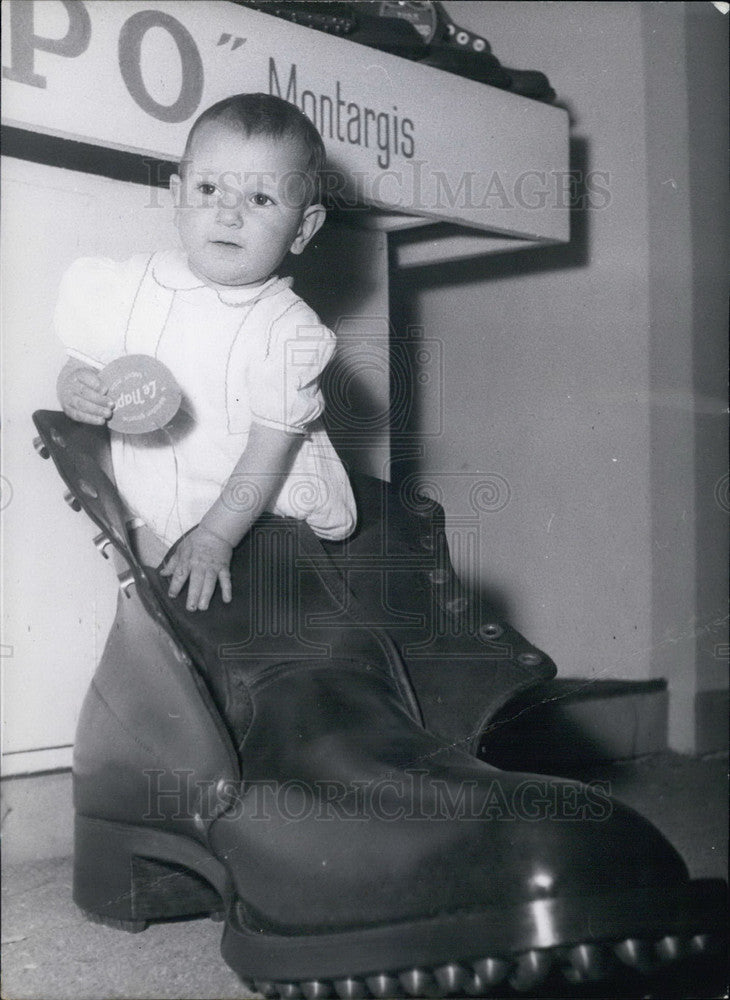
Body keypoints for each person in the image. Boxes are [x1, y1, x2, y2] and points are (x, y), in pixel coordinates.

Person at [55, 93, 356, 614]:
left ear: (303, 230)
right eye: (209, 188)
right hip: (151, 492)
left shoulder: (285, 328)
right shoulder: (132, 283)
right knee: (160, 613)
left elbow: (270, 451)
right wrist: (76, 383)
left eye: (261, 200)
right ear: (177, 196)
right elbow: (85, 358)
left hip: (253, 511)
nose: (228, 214)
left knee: (252, 615)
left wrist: (217, 535)